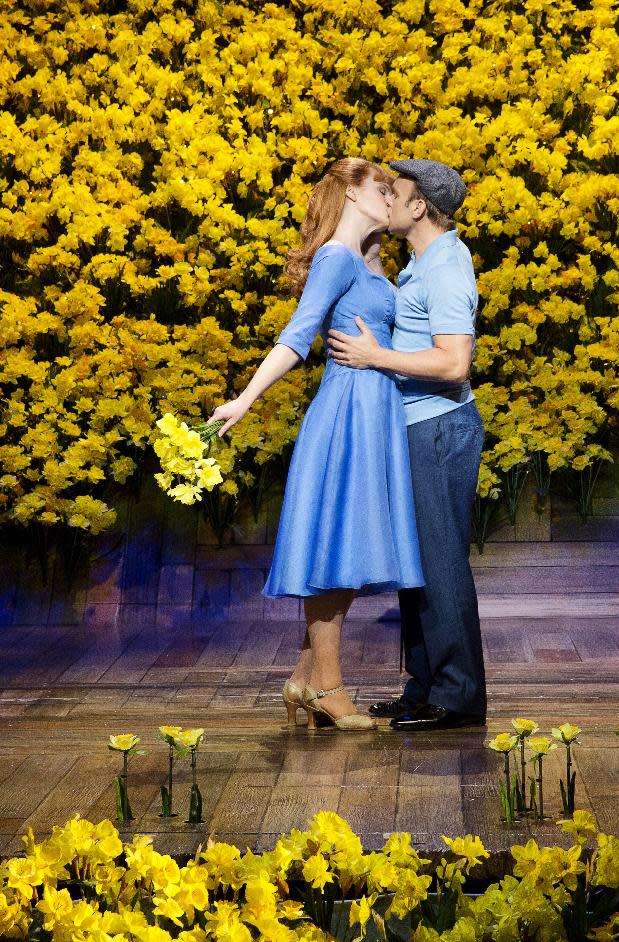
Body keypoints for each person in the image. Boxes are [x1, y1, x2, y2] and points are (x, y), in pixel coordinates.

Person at [207, 158, 425, 732]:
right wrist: (246, 399)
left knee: (348, 550)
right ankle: (328, 687)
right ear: (350, 194)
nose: (388, 197)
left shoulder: (370, 264)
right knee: (337, 549)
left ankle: (304, 680)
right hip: (348, 413)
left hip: (373, 410)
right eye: (379, 188)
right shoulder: (335, 258)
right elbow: (298, 333)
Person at [326, 159, 487, 730]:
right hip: (417, 427)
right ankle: (425, 687)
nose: (387, 200)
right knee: (417, 565)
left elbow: (453, 361)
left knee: (440, 563)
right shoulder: (422, 263)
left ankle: (457, 696)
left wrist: (375, 357)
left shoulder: (445, 267)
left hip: (439, 429)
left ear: (420, 208)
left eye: (397, 193)